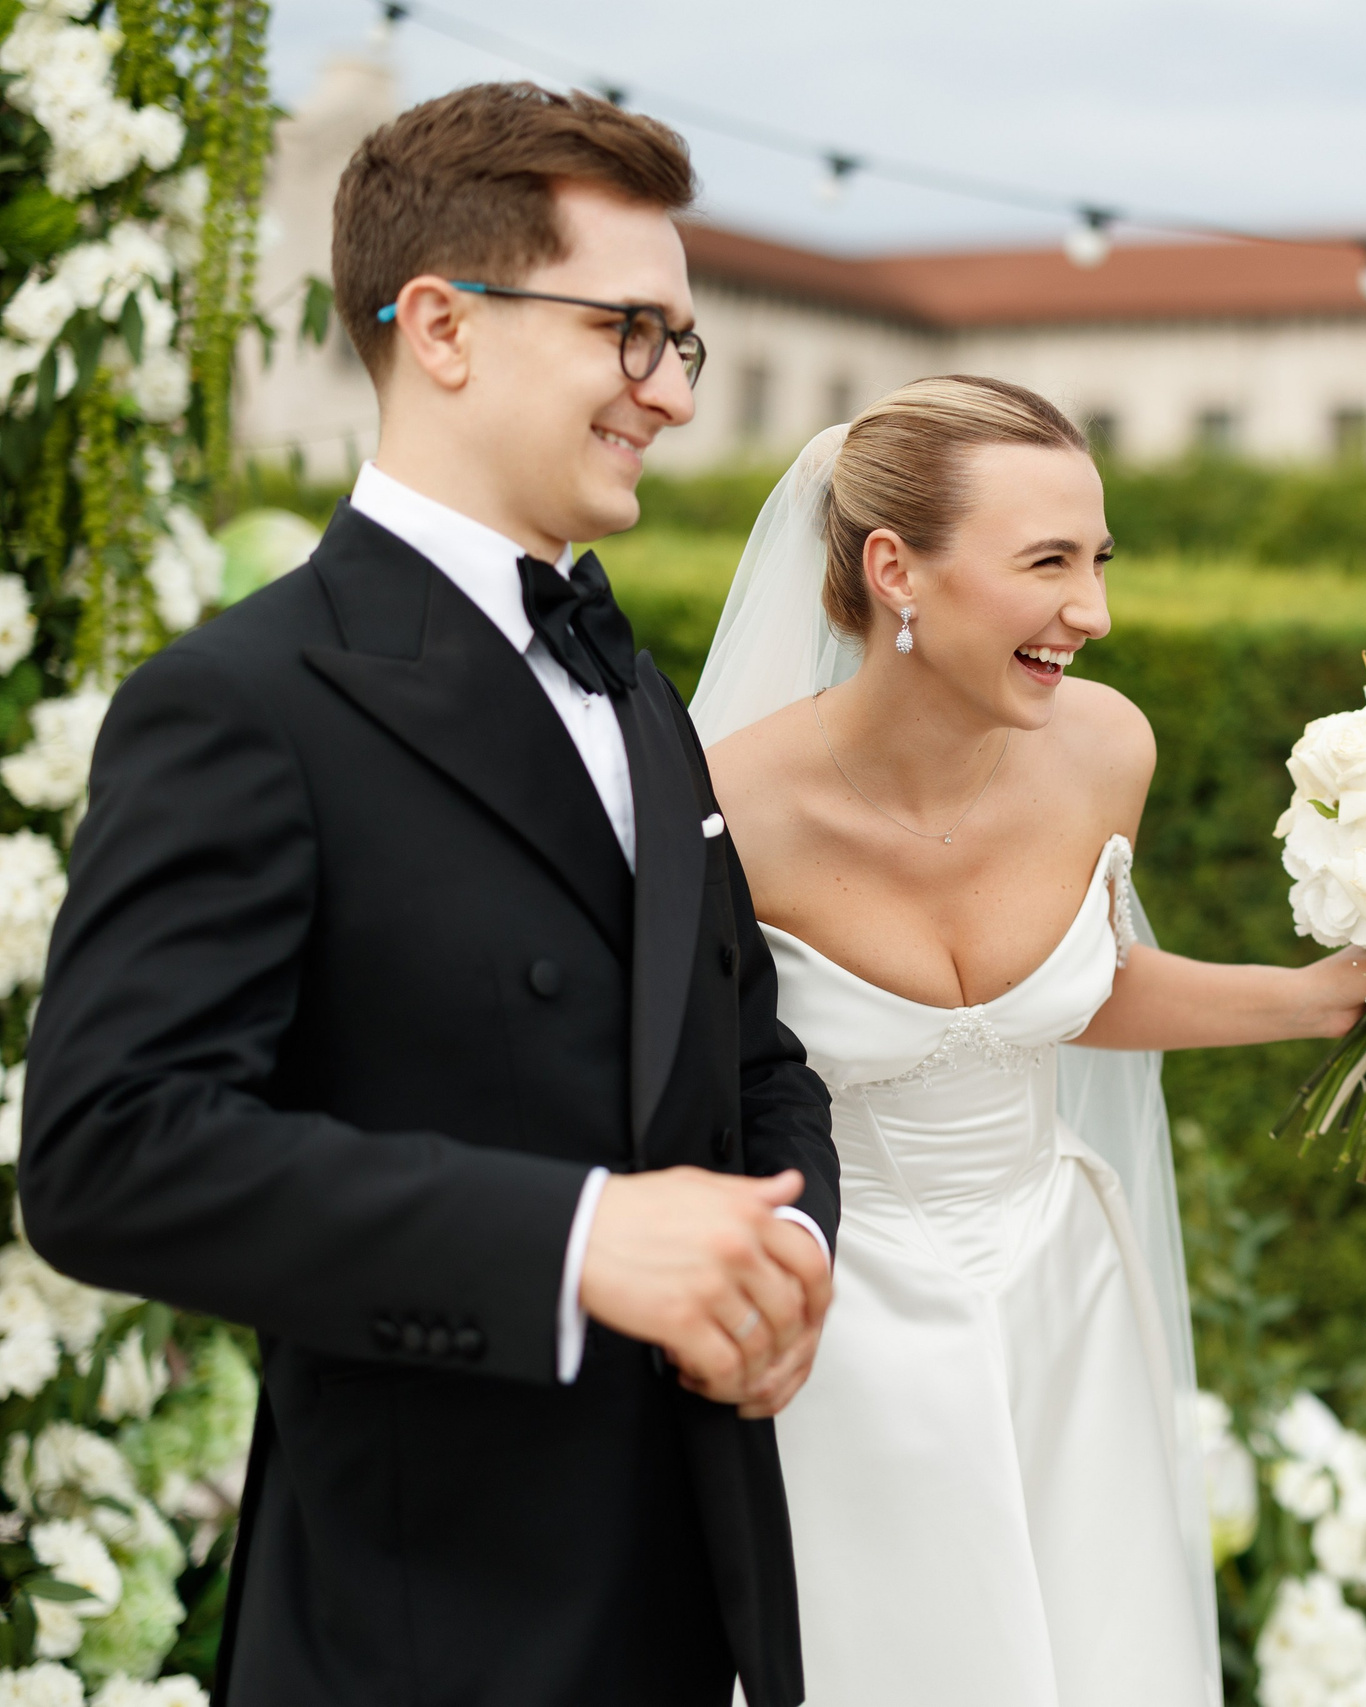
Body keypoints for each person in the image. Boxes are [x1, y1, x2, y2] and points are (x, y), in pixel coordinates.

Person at [18, 84, 839, 1707]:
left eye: (678, 345)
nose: (668, 394)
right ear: (446, 328)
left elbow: (751, 1052)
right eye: (631, 332)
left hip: (697, 1603)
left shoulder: (638, 693)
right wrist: (580, 1241)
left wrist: (790, 1246)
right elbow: (111, 1154)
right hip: (423, 1630)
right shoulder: (243, 701)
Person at [691, 376, 1366, 1707]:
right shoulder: (726, 809)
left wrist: (1321, 994)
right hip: (843, 1326)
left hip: (1063, 1285)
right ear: (897, 568)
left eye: (1100, 560)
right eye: (1049, 563)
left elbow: (1079, 991)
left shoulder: (1104, 747)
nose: (1095, 611)